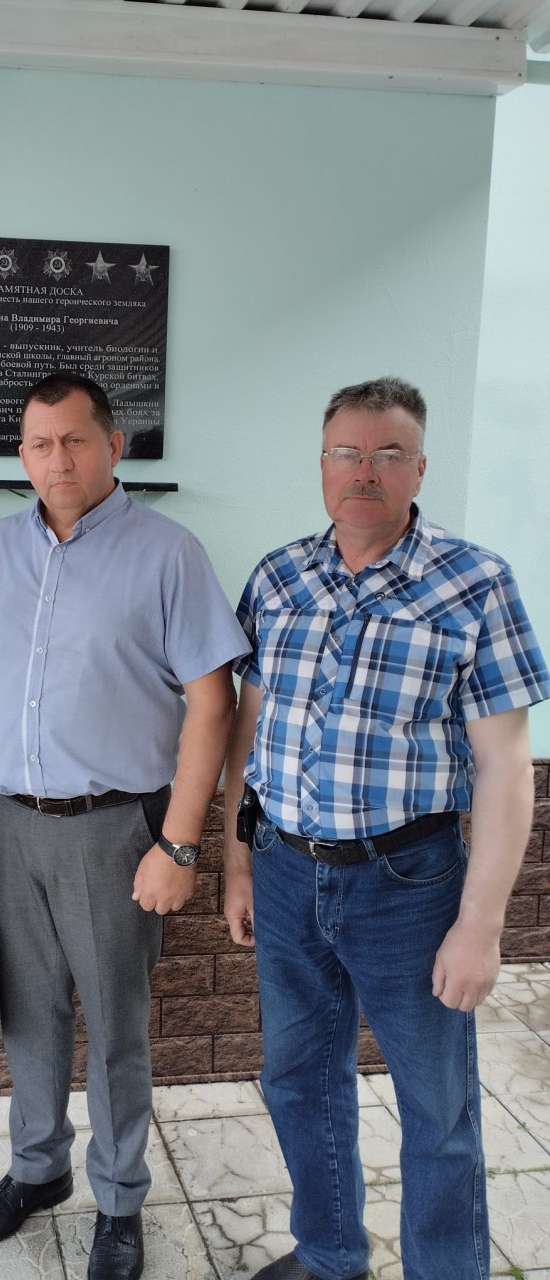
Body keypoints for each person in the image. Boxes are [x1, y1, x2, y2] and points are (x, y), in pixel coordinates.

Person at [222, 376, 550, 1280]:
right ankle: (329, 1255)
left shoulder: (474, 583)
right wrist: (237, 863)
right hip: (285, 871)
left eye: (386, 454)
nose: (362, 471)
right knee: (298, 1079)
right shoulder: (279, 576)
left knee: (436, 1109)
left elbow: (504, 768)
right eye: (346, 453)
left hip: (407, 884)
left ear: (419, 468)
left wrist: (480, 925)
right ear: (322, 463)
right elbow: (248, 732)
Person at [0, 372, 249, 1280]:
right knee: (29, 1014)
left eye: (75, 439)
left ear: (113, 446)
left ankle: (118, 1201)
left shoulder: (167, 553)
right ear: (21, 455)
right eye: (39, 444)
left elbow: (212, 703)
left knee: (114, 1026)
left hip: (116, 829)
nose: (58, 459)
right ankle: (37, 1169)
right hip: (11, 823)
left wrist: (179, 844)